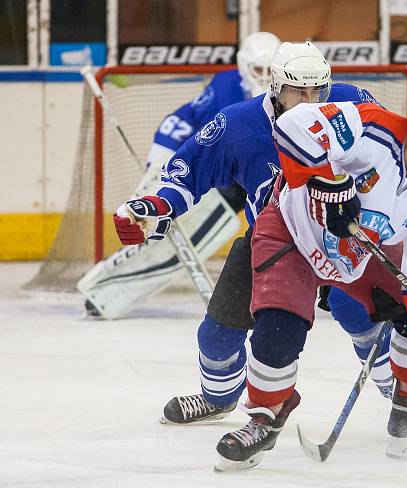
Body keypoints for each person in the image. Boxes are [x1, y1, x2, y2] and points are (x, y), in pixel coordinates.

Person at [111, 42, 395, 426]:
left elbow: (394, 153)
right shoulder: (238, 123)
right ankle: (220, 397)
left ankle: (405, 395)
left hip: (341, 235)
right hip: (272, 242)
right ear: (275, 87)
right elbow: (189, 171)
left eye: (317, 91)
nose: (310, 102)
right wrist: (158, 206)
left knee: (363, 315)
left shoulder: (354, 105)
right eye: (298, 91)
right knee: (217, 336)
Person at [212, 81, 407, 471]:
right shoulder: (369, 127)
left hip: (361, 250)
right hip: (293, 229)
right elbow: (293, 125)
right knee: (279, 325)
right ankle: (265, 416)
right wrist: (326, 181)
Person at [83, 32, 283, 319]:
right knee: (164, 229)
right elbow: (193, 134)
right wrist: (164, 165)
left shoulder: (288, 94)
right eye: (257, 70)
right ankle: (105, 288)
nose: (263, 78)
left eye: (270, 71)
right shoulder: (227, 89)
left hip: (248, 174)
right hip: (204, 167)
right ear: (242, 66)